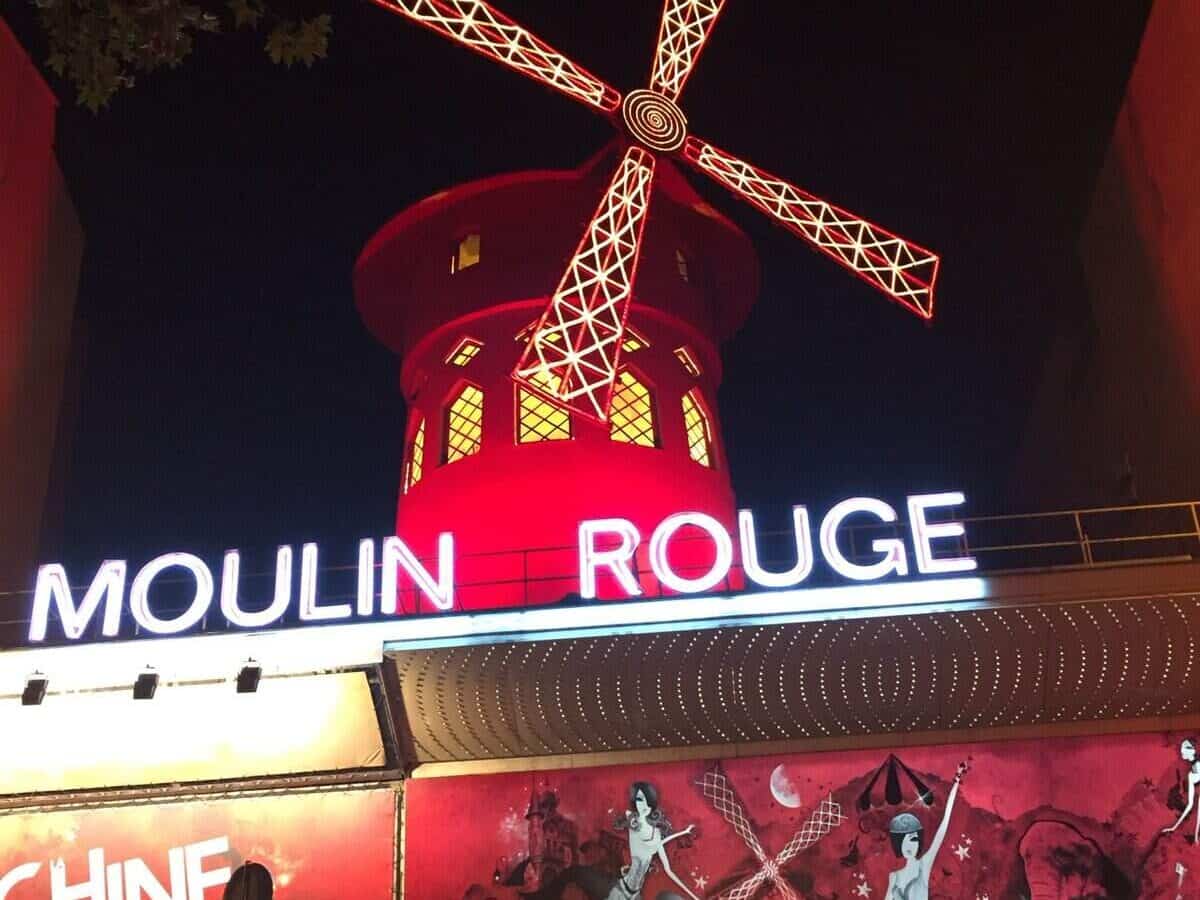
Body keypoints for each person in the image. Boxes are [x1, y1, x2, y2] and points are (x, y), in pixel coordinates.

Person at [883, 762, 967, 900]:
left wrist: (956, 782)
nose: (909, 845)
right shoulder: (894, 877)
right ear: (898, 844)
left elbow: (943, 826)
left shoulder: (924, 865)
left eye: (913, 839)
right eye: (904, 840)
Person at [607, 782, 700, 900]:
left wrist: (694, 897)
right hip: (621, 891)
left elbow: (669, 872)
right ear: (634, 801)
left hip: (635, 895)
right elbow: (625, 816)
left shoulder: (656, 834)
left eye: (648, 800)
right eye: (640, 799)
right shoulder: (633, 823)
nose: (644, 805)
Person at [1163, 738, 1200, 843]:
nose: (1182, 750)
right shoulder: (1191, 775)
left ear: (1193, 750)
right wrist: (1174, 827)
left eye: (1186, 747)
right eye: (1182, 747)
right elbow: (1190, 805)